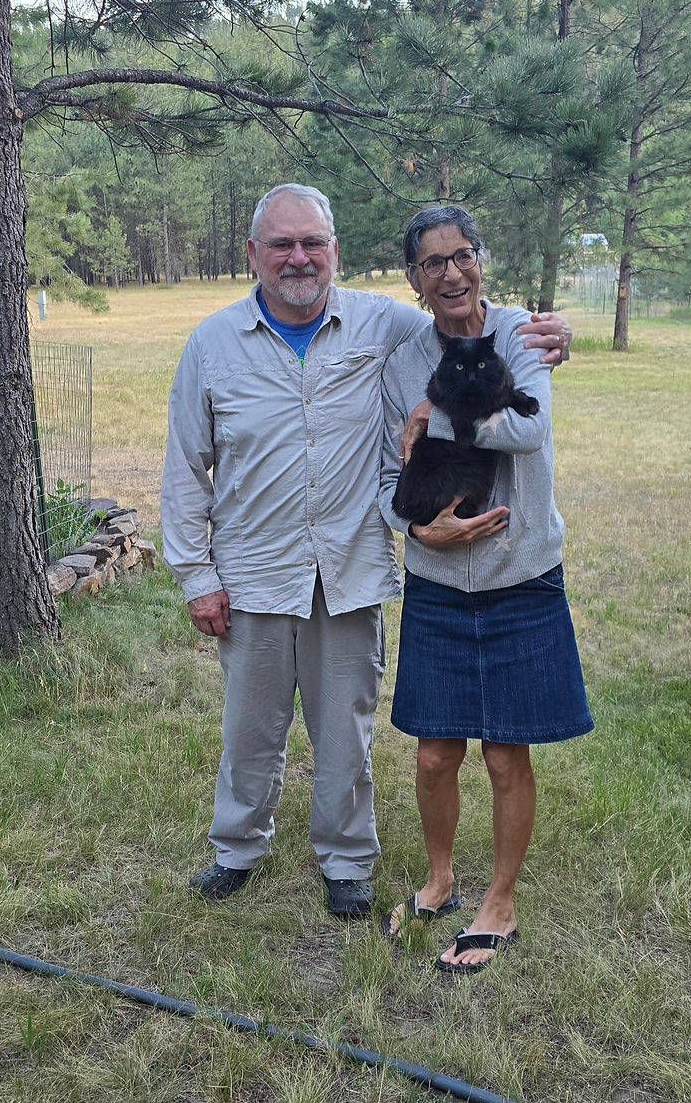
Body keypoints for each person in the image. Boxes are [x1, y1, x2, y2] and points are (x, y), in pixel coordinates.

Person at [161, 184, 573, 918]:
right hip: (254, 569)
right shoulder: (213, 344)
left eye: (312, 243)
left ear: (335, 252)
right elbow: (185, 467)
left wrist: (551, 337)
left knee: (345, 729)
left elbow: (483, 346)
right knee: (249, 729)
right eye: (282, 244)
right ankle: (236, 847)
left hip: (348, 568)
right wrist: (198, 575)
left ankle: (347, 860)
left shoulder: (378, 322)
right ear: (253, 253)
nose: (298, 258)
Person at [378, 204, 593, 969]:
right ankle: (438, 881)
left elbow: (528, 430)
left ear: (482, 259)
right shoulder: (401, 358)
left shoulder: (526, 334)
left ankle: (498, 902)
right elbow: (384, 470)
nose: (451, 273)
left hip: (522, 573)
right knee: (436, 754)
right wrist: (416, 528)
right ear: (414, 279)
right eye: (432, 263)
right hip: (439, 580)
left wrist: (438, 415)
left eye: (461, 255)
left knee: (505, 756)